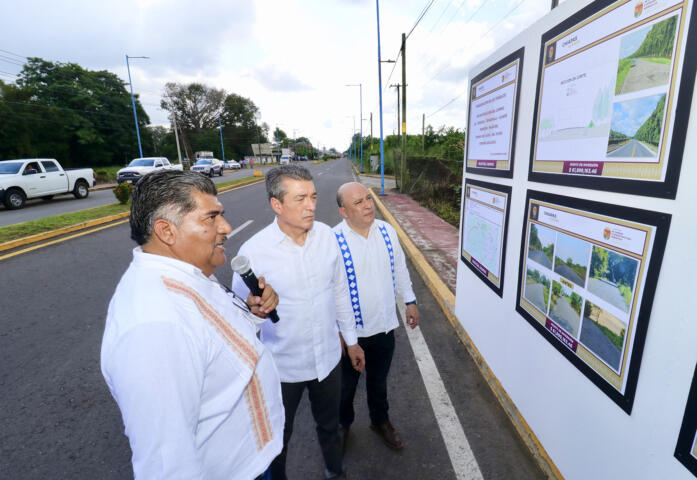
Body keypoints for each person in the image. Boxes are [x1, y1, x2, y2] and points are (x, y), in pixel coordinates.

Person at [101, 170, 284, 480]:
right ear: (166, 231)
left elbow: (213, 343)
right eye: (210, 218)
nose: (226, 228)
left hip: (252, 460)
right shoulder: (153, 325)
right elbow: (167, 464)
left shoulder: (186, 275)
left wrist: (253, 315)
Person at [233, 164, 365, 480]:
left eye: (314, 197)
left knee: (330, 427)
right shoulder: (253, 253)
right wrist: (255, 310)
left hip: (328, 361)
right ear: (277, 205)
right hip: (281, 370)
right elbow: (238, 319)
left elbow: (340, 291)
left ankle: (336, 472)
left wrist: (351, 339)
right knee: (278, 440)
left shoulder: (326, 238)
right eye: (300, 198)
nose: (311, 206)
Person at [333, 182, 420, 451]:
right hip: (351, 333)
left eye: (368, 198)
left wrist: (410, 301)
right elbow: (329, 292)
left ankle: (380, 421)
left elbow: (400, 268)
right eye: (358, 202)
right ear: (344, 212)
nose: (368, 205)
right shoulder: (333, 241)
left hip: (384, 327)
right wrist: (341, 333)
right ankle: (342, 426)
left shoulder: (387, 231)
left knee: (378, 381)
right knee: (346, 387)